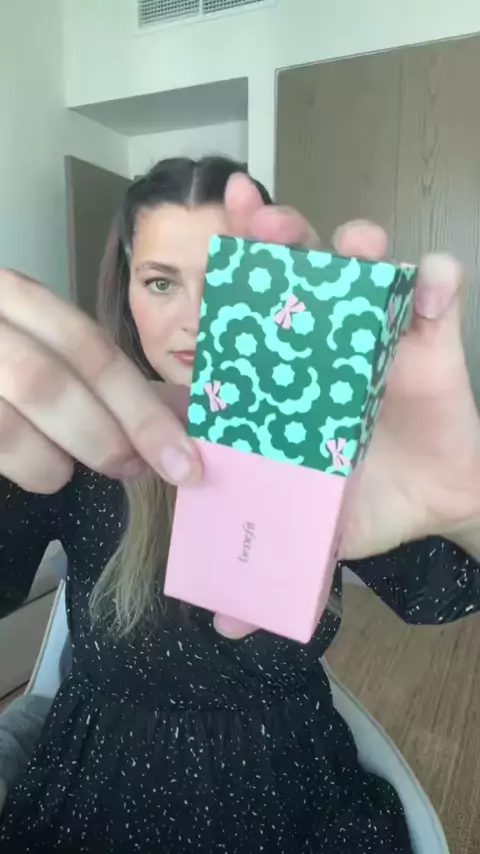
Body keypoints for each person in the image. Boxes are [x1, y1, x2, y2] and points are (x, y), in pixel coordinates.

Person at [0, 155, 479, 854]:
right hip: (101, 775)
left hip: (289, 778)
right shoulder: (72, 442)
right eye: (161, 282)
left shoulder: (319, 439)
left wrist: (469, 507)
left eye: (228, 280)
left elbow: (442, 593)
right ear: (126, 294)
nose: (199, 318)